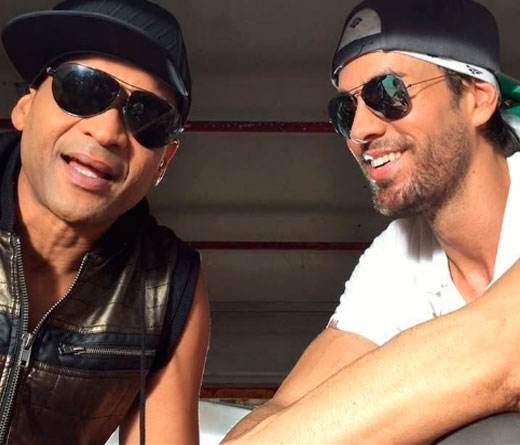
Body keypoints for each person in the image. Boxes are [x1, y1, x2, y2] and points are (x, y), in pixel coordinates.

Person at [224, 0, 520, 443]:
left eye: (389, 93)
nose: (360, 130)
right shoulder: (396, 256)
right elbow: (284, 409)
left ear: (478, 98)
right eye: (347, 110)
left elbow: (502, 355)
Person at [0, 0, 209, 443]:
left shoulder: (169, 285)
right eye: (82, 89)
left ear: (163, 162)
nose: (108, 132)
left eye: (147, 116)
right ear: (25, 107)